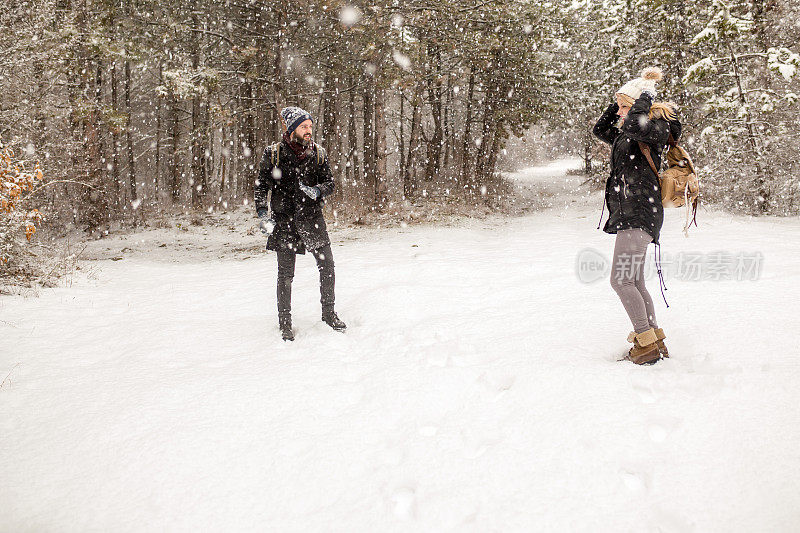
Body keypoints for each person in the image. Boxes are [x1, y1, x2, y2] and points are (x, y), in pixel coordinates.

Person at [592, 67, 681, 364]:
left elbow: (633, 124)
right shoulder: (630, 131)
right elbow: (601, 130)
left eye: (625, 107)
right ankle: (654, 339)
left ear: (644, 106)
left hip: (639, 210)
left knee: (621, 281)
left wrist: (643, 94)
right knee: (634, 281)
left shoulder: (654, 128)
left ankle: (644, 344)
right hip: (635, 210)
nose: (620, 113)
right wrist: (621, 100)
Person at [254, 106, 346, 341]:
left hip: (312, 219)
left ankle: (329, 314)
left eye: (310, 127)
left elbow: (330, 183)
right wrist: (263, 214)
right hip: (284, 221)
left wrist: (317, 190)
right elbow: (261, 186)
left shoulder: (318, 153)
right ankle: (285, 323)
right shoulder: (273, 153)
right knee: (285, 274)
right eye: (304, 127)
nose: (308, 131)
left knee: (328, 267)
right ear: (291, 128)